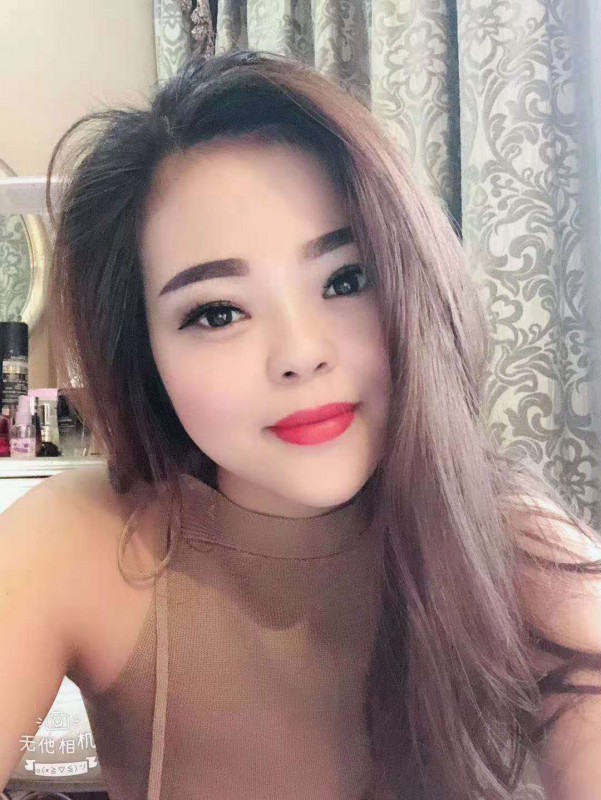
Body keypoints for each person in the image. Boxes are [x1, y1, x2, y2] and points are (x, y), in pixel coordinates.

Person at [2, 48, 601, 800]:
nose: (300, 354)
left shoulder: (520, 550)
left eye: (346, 279)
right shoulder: (81, 541)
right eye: (217, 312)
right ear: (144, 352)